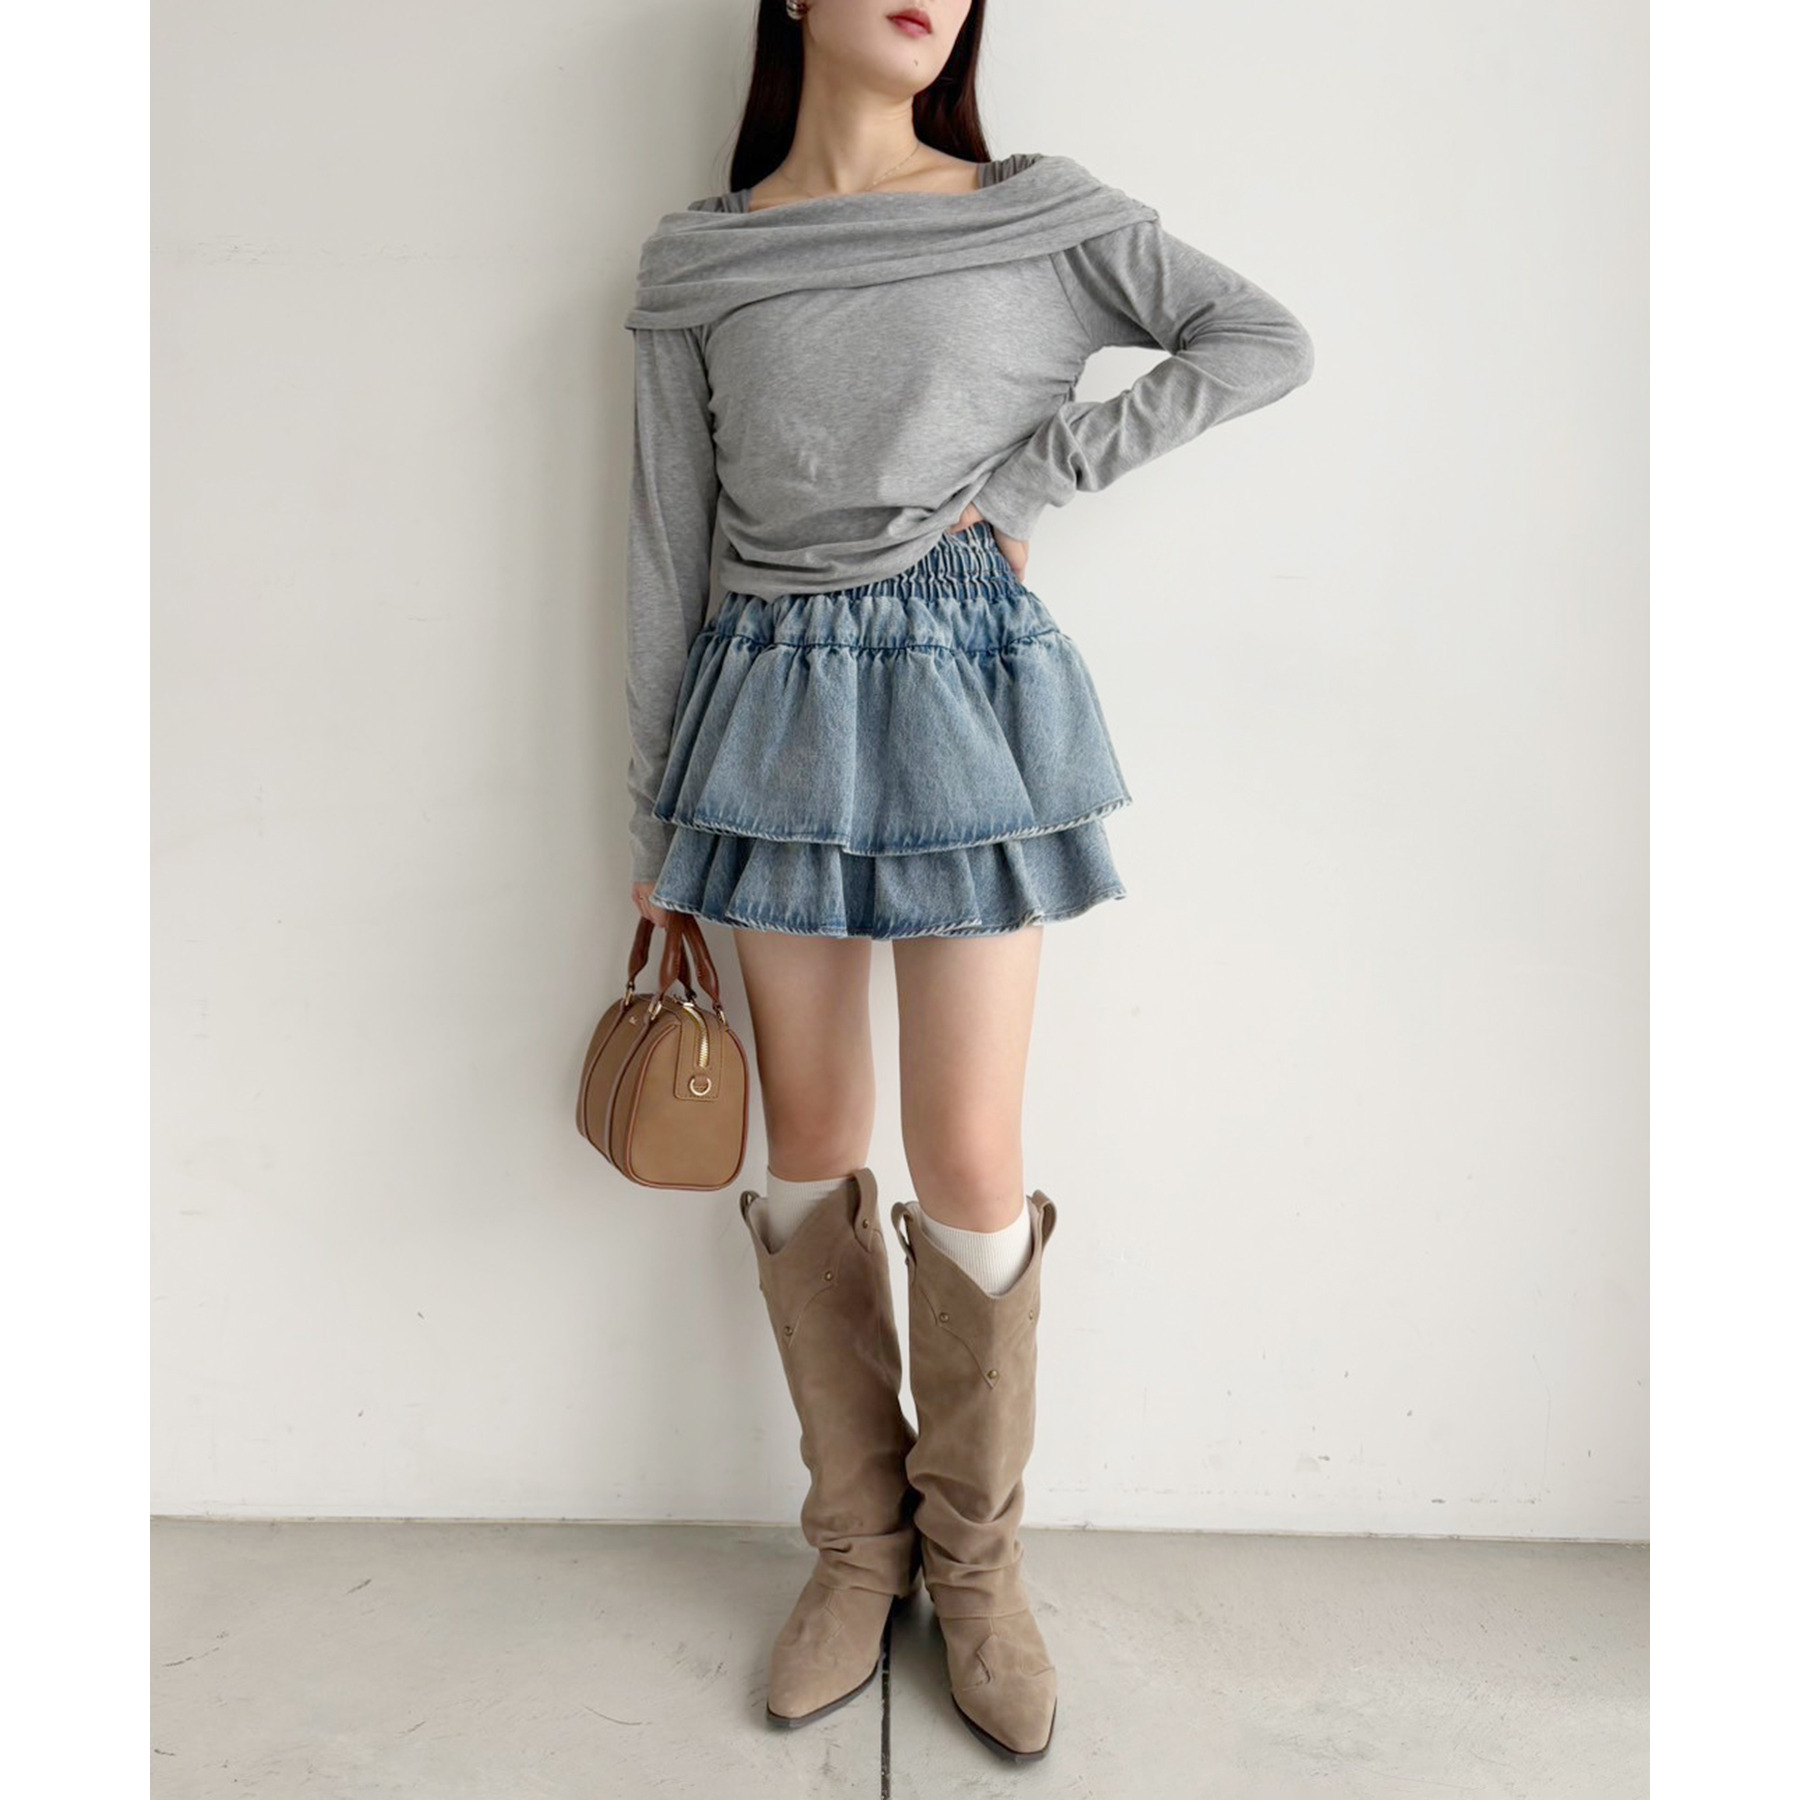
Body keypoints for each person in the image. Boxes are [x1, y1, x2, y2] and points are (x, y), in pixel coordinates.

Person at [620, 0, 1313, 1764]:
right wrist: (650, 832)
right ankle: (857, 1555)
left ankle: (979, 1570)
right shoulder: (702, 261)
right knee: (810, 1136)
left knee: (972, 1152)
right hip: (763, 711)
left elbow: (1259, 338)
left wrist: (1035, 474)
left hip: (966, 693)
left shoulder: (1041, 215)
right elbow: (662, 551)